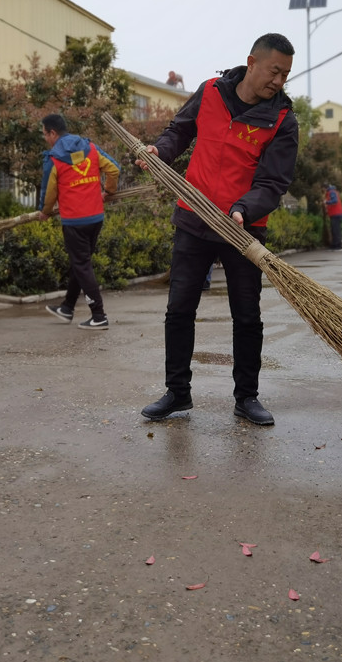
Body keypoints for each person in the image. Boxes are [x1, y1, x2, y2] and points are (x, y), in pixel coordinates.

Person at [137, 33, 299, 426]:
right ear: (252, 62)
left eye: (286, 75)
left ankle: (247, 397)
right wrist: (161, 150)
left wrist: (244, 209)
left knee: (247, 316)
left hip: (243, 229)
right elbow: (180, 130)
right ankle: (177, 393)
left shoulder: (282, 118)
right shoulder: (211, 91)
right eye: (274, 71)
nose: (279, 81)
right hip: (193, 218)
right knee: (179, 310)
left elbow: (274, 182)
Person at [38, 113, 121, 330]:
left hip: (74, 221)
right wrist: (108, 191)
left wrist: (45, 211)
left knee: (82, 265)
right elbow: (113, 168)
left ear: (52, 133)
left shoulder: (54, 158)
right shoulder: (90, 148)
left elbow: (49, 192)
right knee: (80, 262)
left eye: (45, 134)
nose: (45, 138)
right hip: (95, 218)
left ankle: (99, 315)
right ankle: (67, 308)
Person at [324, 183, 342, 250]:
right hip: (336, 213)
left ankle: (337, 246)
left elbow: (335, 201)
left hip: (336, 214)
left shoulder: (331, 192)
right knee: (335, 230)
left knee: (336, 230)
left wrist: (326, 202)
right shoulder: (332, 191)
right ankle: (335, 244)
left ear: (324, 188)